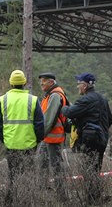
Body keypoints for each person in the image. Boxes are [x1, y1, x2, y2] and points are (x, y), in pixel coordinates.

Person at [61, 72, 112, 205]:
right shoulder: (103, 99)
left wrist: (63, 106)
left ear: (84, 86)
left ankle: (90, 201)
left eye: (78, 84)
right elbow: (110, 120)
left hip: (90, 140)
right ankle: (96, 198)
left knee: (88, 171)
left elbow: (70, 112)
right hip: (102, 139)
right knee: (96, 169)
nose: (77, 86)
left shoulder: (85, 100)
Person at [0, 70, 44, 205]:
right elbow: (40, 124)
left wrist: (5, 140)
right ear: (24, 83)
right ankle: (28, 201)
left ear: (11, 83)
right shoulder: (32, 100)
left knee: (13, 175)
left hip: (11, 145)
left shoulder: (3, 100)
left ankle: (12, 201)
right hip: (29, 145)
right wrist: (37, 140)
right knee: (28, 175)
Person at [37, 72, 70, 200]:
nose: (41, 83)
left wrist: (39, 135)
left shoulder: (55, 95)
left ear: (51, 82)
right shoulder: (50, 95)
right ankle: (44, 194)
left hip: (53, 138)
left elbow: (49, 119)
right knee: (43, 164)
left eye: (44, 81)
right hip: (48, 138)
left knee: (56, 167)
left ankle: (62, 197)